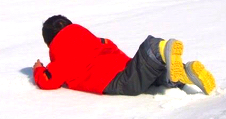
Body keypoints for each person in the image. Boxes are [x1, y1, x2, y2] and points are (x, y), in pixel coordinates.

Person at [33, 15, 216, 96]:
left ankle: (166, 57)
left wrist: (39, 69)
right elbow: (113, 48)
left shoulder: (62, 59)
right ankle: (180, 71)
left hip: (120, 83)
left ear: (50, 43)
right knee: (155, 70)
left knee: (150, 49)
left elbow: (48, 80)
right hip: (126, 71)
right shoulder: (97, 42)